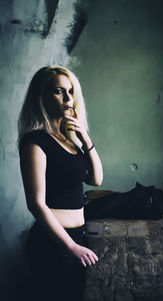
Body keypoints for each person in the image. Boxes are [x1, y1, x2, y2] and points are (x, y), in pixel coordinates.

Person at [18, 66, 103, 300]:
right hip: (53, 242)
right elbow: (36, 204)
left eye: (70, 91)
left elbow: (96, 179)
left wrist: (85, 137)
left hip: (78, 235)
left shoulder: (68, 140)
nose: (68, 98)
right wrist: (70, 246)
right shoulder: (35, 142)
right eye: (58, 91)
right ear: (42, 96)